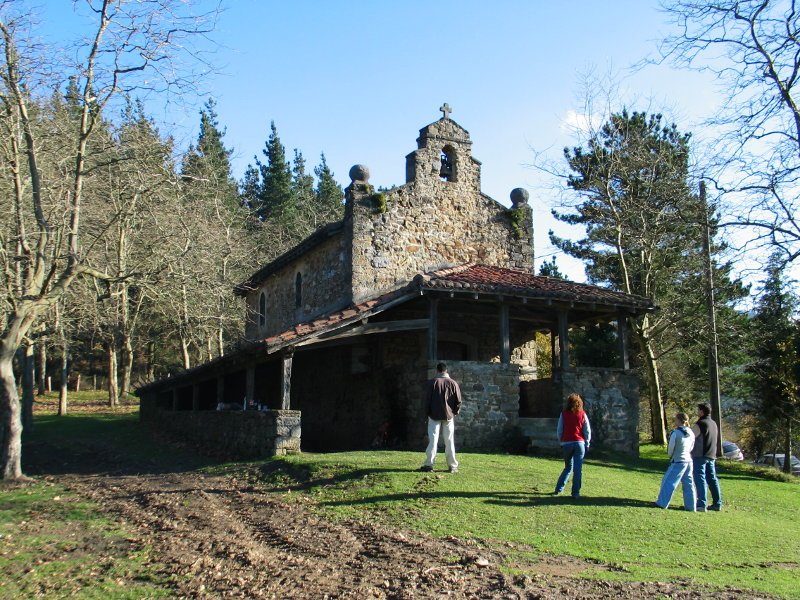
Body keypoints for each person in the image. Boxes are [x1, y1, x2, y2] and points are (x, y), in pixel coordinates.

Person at [419, 362, 462, 473]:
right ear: (446, 370)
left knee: (433, 440)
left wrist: (425, 414)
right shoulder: (453, 383)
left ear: (437, 370)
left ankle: (429, 465)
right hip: (449, 415)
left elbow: (427, 401)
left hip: (434, 415)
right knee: (449, 440)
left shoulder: (432, 383)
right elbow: (458, 401)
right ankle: (452, 466)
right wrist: (454, 412)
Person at [654, 412, 696, 511]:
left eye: (675, 419)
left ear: (679, 420)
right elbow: (691, 447)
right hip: (688, 461)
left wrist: (671, 456)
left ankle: (662, 503)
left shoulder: (675, 433)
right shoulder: (691, 432)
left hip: (678, 461)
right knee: (689, 484)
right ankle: (691, 506)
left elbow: (670, 449)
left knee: (668, 482)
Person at [554, 393, 591, 498]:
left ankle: (558, 489)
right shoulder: (582, 414)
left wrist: (561, 441)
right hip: (579, 443)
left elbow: (559, 430)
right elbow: (587, 430)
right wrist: (587, 442)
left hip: (566, 443)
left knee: (567, 467)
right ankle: (575, 493)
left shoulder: (564, 414)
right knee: (578, 470)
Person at [692, 402, 723, 512]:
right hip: (711, 455)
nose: (697, 412)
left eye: (698, 410)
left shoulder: (700, 423)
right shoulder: (714, 423)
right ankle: (717, 503)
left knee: (700, 478)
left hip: (700, 454)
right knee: (712, 479)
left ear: (702, 411)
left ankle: (701, 504)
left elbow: (691, 437)